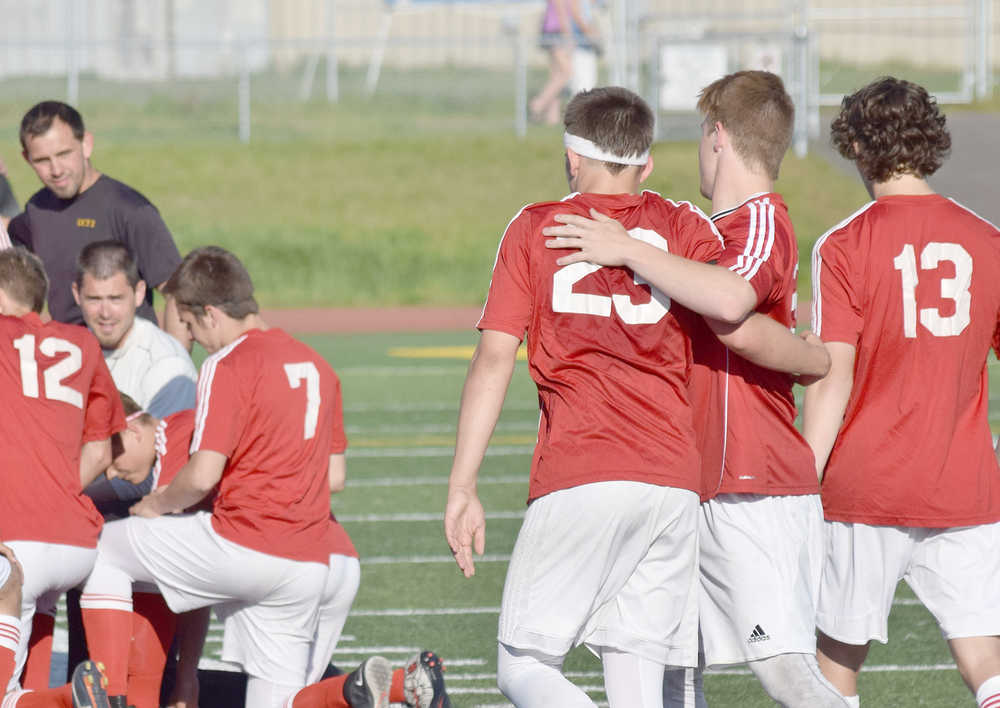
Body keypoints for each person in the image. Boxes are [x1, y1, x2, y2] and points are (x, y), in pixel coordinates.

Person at [444, 86, 828, 708]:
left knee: (523, 667)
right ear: (646, 163)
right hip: (673, 484)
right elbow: (734, 313)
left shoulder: (536, 226)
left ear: (573, 158)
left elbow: (493, 361)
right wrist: (814, 357)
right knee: (641, 688)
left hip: (582, 466)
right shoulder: (681, 223)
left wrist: (463, 485)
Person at [79, 246, 376, 708]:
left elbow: (201, 475)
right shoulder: (319, 365)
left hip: (247, 541)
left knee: (98, 552)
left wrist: (153, 505)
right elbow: (334, 476)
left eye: (192, 327)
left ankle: (112, 694)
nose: (194, 339)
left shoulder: (227, 363)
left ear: (211, 314)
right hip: (307, 561)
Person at [802, 76, 1000, 708]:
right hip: (963, 482)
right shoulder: (988, 240)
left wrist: (800, 483)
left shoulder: (843, 244)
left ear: (858, 146)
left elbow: (834, 380)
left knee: (834, 657)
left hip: (867, 485)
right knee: (984, 658)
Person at [102, 392, 451, 708]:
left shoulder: (175, 434)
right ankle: (396, 685)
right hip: (334, 556)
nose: (113, 474)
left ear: (133, 433)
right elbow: (334, 477)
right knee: (293, 701)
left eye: (111, 460)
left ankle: (115, 696)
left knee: (106, 552)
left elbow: (180, 566)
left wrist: (185, 678)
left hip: (281, 559)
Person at [0, 247, 125, 697]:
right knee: (31, 643)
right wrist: (52, 486)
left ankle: (67, 700)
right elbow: (101, 446)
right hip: (74, 543)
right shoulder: (83, 343)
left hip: (14, 543)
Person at [6, 101, 186, 346]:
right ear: (27, 158)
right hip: (74, 363)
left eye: (64, 154)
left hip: (131, 363)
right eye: (42, 160)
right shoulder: (36, 210)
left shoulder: (130, 210)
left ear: (86, 144)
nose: (56, 169)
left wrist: (174, 365)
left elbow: (178, 293)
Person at [0, 545, 112, 708]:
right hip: (83, 555)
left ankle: (63, 698)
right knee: (12, 578)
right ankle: (69, 696)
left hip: (26, 549)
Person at [530, 0, 600, 125]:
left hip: (552, 32)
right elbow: (562, 14)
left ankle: (552, 117)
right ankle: (538, 103)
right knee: (567, 73)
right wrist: (569, 37)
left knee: (556, 75)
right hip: (557, 33)